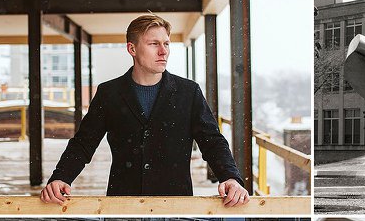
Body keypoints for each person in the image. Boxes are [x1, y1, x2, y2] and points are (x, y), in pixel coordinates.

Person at [40, 14, 249, 207]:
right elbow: (83, 143)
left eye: (166, 44)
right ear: (132, 49)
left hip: (175, 202)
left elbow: (212, 141)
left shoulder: (188, 92)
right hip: (123, 202)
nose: (163, 51)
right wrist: (61, 177)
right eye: (154, 44)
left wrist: (230, 176)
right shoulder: (109, 93)